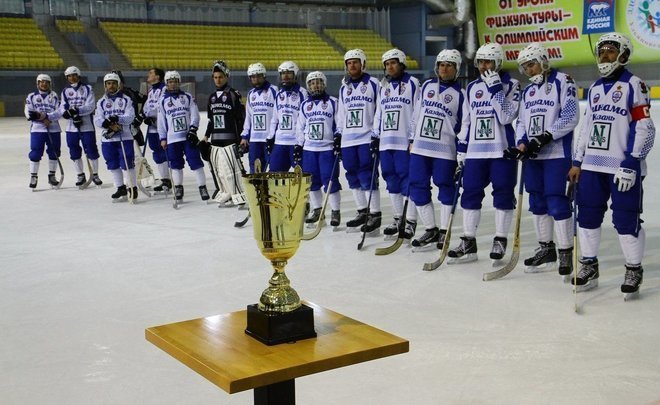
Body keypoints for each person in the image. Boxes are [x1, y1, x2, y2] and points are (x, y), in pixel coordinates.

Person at [568, 32, 655, 296]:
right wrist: (577, 161)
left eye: (610, 51)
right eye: (601, 51)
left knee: (626, 220)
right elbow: (586, 128)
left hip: (621, 169)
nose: (604, 56)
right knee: (587, 216)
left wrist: (632, 161)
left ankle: (633, 268)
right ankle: (589, 265)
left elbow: (645, 127)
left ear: (623, 55)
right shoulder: (594, 88)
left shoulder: (634, 85)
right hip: (592, 167)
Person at [504, 42, 579, 276]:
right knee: (536, 201)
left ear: (544, 61)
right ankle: (546, 248)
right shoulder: (528, 91)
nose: (529, 70)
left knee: (556, 200)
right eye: (525, 67)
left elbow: (570, 116)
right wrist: (521, 143)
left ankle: (565, 251)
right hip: (533, 156)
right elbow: (522, 122)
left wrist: (546, 137)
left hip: (556, 154)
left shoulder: (563, 81)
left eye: (532, 64)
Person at [448, 42, 521, 263]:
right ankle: (468, 241)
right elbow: (467, 122)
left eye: (488, 62)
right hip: (476, 153)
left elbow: (506, 117)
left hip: (502, 151)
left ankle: (500, 239)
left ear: (498, 62)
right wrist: (462, 150)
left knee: (503, 195)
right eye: (480, 62)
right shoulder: (472, 87)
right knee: (470, 194)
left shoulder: (512, 85)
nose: (483, 66)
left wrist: (495, 89)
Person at [408, 49, 469, 249]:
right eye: (441, 64)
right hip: (420, 148)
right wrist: (411, 138)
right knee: (417, 186)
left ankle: (444, 230)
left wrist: (462, 149)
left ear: (456, 69)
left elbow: (465, 124)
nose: (444, 68)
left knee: (446, 186)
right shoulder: (426, 86)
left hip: (445, 150)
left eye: (449, 65)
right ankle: (430, 229)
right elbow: (416, 114)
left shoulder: (462, 94)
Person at [373, 48, 420, 240]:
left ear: (401, 64)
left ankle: (411, 221)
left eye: (393, 63)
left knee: (407, 179)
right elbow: (379, 112)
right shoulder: (383, 86)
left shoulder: (413, 83)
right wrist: (375, 135)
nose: (390, 67)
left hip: (404, 143)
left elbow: (418, 110)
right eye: (387, 64)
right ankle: (398, 217)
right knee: (391, 179)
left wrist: (413, 137)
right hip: (386, 142)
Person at [336, 49, 382, 233]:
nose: (352, 65)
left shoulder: (374, 83)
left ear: (363, 64)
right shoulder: (343, 88)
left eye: (355, 62)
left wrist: (376, 134)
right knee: (352, 174)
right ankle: (362, 211)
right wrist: (338, 134)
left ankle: (375, 213)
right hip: (348, 140)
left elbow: (380, 109)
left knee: (367, 175)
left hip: (366, 137)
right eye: (349, 63)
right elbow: (341, 114)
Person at [296, 71, 342, 227]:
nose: (315, 85)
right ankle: (317, 210)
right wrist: (298, 144)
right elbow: (300, 127)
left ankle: (335, 211)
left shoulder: (333, 102)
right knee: (312, 182)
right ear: (308, 86)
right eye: (312, 83)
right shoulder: (304, 105)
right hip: (309, 149)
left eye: (319, 82)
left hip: (327, 149)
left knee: (330, 180)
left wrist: (338, 137)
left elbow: (339, 123)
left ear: (324, 84)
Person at [157, 70, 209, 202]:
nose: (173, 84)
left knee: (196, 162)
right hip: (172, 139)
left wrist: (193, 129)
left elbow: (195, 114)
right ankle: (178, 187)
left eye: (175, 81)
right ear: (166, 83)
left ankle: (202, 187)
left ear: (179, 82)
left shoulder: (187, 97)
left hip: (187, 138)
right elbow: (161, 122)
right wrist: (163, 138)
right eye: (170, 82)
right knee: (175, 164)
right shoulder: (162, 101)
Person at [93, 72, 137, 201]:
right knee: (112, 163)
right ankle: (120, 187)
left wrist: (118, 118)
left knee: (127, 163)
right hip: (108, 139)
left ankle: (132, 187)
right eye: (108, 83)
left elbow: (130, 117)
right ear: (105, 85)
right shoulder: (101, 102)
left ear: (118, 84)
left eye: (113, 83)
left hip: (125, 137)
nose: (111, 86)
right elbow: (97, 119)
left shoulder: (126, 100)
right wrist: (105, 123)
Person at [59, 66, 103, 187]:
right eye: (69, 76)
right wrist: (68, 114)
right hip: (71, 127)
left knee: (91, 149)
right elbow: (63, 106)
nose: (72, 78)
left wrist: (76, 111)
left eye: (74, 75)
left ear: (78, 76)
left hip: (87, 126)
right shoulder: (65, 91)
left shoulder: (88, 88)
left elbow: (90, 106)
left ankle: (95, 174)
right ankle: (80, 174)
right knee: (74, 150)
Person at [268, 61, 308, 172]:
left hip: (296, 142)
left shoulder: (303, 93)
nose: (285, 76)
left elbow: (306, 120)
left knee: (301, 176)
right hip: (280, 142)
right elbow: (274, 119)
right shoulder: (278, 94)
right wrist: (270, 137)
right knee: (275, 175)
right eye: (283, 73)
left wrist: (301, 142)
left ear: (295, 75)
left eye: (289, 73)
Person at [25, 74, 63, 189]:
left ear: (49, 84)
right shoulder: (31, 96)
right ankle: (33, 176)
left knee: (54, 152)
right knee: (36, 152)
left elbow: (59, 112)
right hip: (37, 129)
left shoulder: (54, 96)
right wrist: (42, 119)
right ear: (38, 83)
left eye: (46, 82)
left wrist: (48, 117)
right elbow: (29, 113)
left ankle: (52, 176)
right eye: (41, 82)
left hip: (54, 128)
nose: (44, 84)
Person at [240, 62, 278, 173]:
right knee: (255, 171)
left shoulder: (274, 90)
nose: (256, 79)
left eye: (258, 76)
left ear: (264, 76)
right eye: (253, 77)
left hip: (270, 139)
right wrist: (245, 136)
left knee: (273, 170)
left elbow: (278, 115)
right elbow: (248, 117)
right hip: (255, 140)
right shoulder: (251, 94)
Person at [140, 67, 171, 192]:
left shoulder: (164, 88)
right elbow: (147, 106)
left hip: (162, 127)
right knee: (156, 153)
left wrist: (150, 115)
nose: (148, 75)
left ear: (157, 76)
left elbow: (160, 106)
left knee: (164, 152)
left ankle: (169, 179)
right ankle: (164, 180)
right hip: (152, 128)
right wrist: (145, 115)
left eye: (151, 73)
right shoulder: (152, 90)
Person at [202, 60, 245, 149]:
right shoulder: (211, 97)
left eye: (220, 77)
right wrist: (206, 136)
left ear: (226, 77)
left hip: (231, 141)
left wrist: (241, 139)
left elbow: (241, 119)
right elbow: (211, 120)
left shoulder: (234, 94)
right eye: (215, 77)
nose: (218, 80)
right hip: (215, 142)